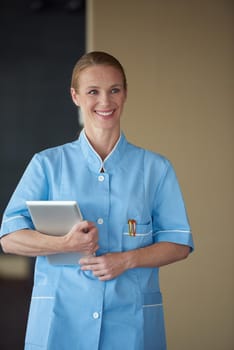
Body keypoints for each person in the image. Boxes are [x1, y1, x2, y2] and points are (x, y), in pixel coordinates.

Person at [0, 51, 194, 350]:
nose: (105, 102)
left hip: (131, 327)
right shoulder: (47, 165)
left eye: (114, 90)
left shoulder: (156, 169)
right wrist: (64, 245)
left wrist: (126, 260)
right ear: (75, 96)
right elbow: (9, 239)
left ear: (125, 94)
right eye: (93, 91)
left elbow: (179, 243)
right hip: (60, 324)